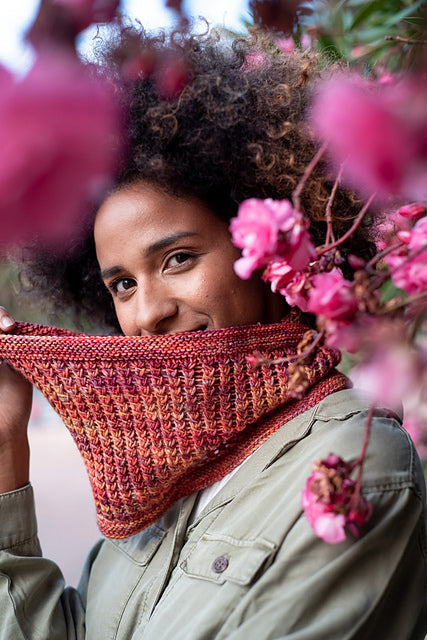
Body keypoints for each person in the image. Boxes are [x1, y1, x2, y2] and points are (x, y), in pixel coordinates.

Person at [0, 25, 426, 640]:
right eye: (121, 284)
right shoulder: (158, 473)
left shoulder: (354, 469)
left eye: (177, 259)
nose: (147, 315)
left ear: (266, 239)